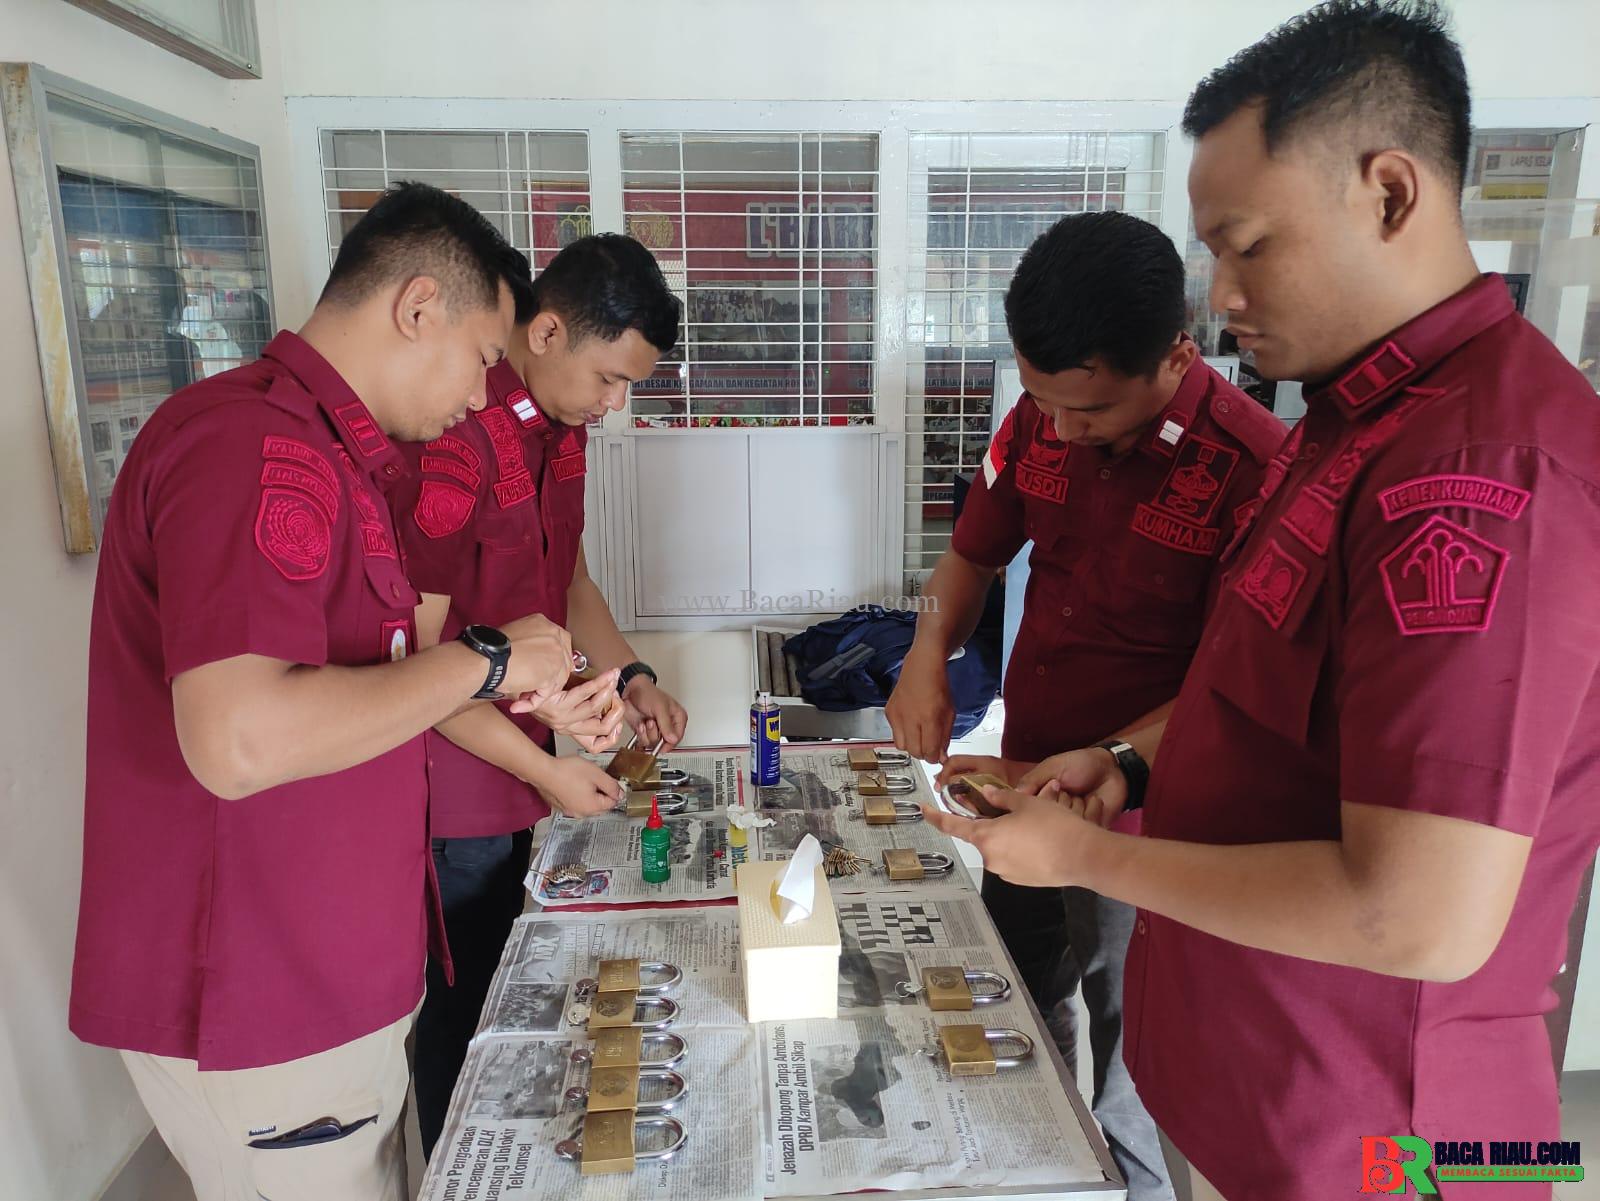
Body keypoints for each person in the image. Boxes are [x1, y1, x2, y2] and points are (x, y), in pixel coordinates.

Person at [923, 4, 1600, 1199]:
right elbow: (1259, 690)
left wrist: (1090, 853)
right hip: (1257, 1086)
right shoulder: (1350, 428)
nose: (1221, 295)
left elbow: (1419, 918)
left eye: (1246, 247)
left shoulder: (1486, 470)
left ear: (1388, 193)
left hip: (1382, 1143)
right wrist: (1124, 764)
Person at [70, 182, 580, 1201]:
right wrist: (484, 661)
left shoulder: (340, 457)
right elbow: (241, 739)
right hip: (263, 989)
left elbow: (365, 686)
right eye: (483, 356)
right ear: (418, 306)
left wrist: (510, 673)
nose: (484, 394)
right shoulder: (252, 445)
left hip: (326, 974)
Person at [886, 210, 1284, 1200]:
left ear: (1177, 356)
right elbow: (968, 558)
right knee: (1005, 996)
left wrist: (1112, 763)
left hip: (1146, 822)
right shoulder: (1041, 417)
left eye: (1092, 411)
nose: (1060, 429)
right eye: (1042, 401)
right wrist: (926, 652)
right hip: (1022, 780)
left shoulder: (1253, 470)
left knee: (1132, 1062)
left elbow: (1242, 687)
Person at [390, 232, 688, 1155]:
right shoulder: (456, 436)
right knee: (466, 1019)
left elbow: (571, 581)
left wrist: (631, 675)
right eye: (610, 378)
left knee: (516, 991)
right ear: (548, 331)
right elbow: (421, 666)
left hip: (521, 768)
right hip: (455, 791)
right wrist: (548, 774)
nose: (615, 402)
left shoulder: (560, 432)